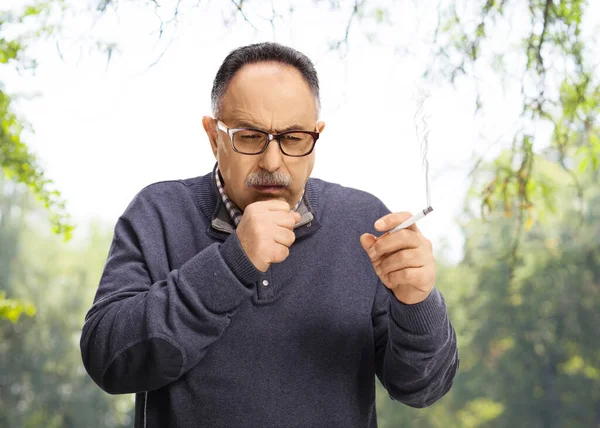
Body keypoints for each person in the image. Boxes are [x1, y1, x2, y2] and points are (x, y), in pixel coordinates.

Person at [80, 42, 459, 428]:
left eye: (294, 138)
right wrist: (232, 264)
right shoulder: (159, 213)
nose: (272, 162)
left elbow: (422, 388)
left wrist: (417, 304)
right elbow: (108, 361)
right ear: (214, 137)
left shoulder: (363, 221)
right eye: (249, 136)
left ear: (316, 137)